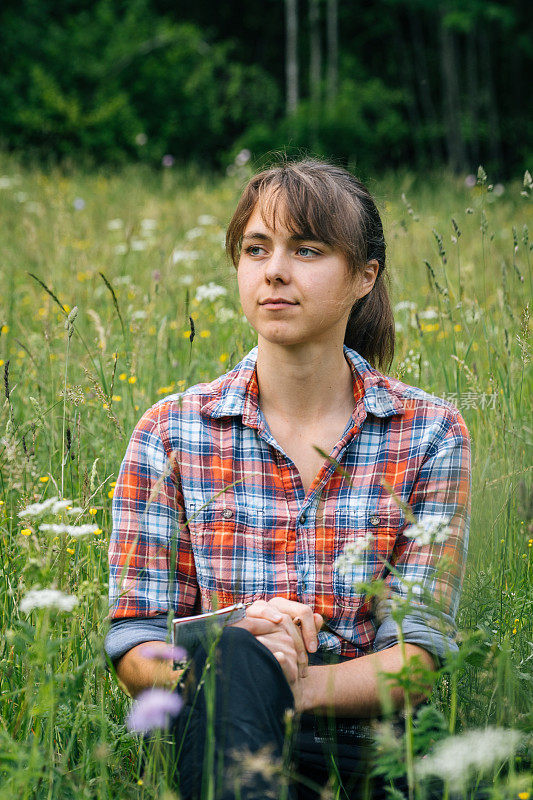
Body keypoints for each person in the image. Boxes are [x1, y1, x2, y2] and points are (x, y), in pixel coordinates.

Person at [104, 158, 471, 799]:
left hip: (370, 755)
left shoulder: (429, 434)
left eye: (307, 249)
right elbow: (136, 649)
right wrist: (238, 636)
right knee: (239, 656)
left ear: (364, 277)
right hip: (217, 739)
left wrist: (275, 681)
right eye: (256, 248)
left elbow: (416, 662)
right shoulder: (170, 432)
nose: (274, 270)